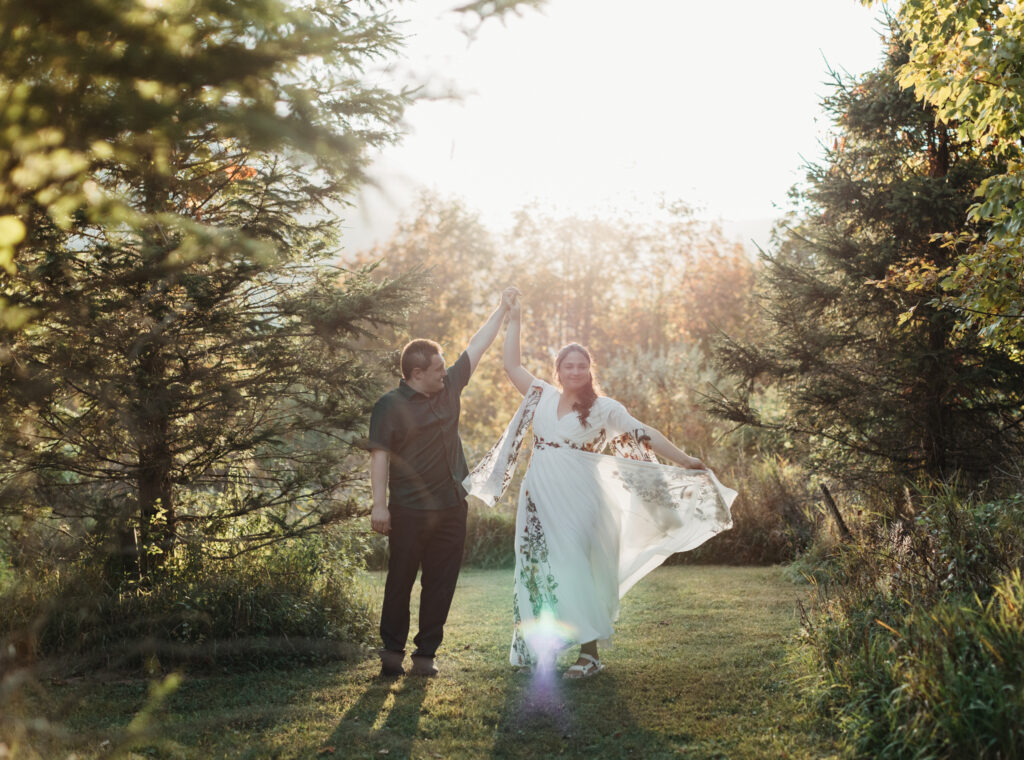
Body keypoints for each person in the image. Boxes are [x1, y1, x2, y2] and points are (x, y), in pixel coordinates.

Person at [465, 293, 737, 679]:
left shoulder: (604, 409)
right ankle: (545, 646)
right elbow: (511, 364)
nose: (575, 371)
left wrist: (684, 460)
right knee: (537, 565)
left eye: (582, 365)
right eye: (568, 365)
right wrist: (516, 317)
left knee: (576, 566)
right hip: (538, 496)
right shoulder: (540, 394)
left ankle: (589, 654)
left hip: (580, 498)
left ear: (590, 370)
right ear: (557, 370)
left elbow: (645, 434)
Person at [367, 287, 519, 678]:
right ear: (417, 374)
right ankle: (390, 654)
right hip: (408, 510)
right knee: (400, 581)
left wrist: (502, 310)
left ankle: (425, 656)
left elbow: (477, 347)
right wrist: (379, 505)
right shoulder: (389, 406)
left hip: (452, 507)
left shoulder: (448, 388)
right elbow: (379, 454)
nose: (444, 371)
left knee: (441, 584)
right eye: (437, 368)